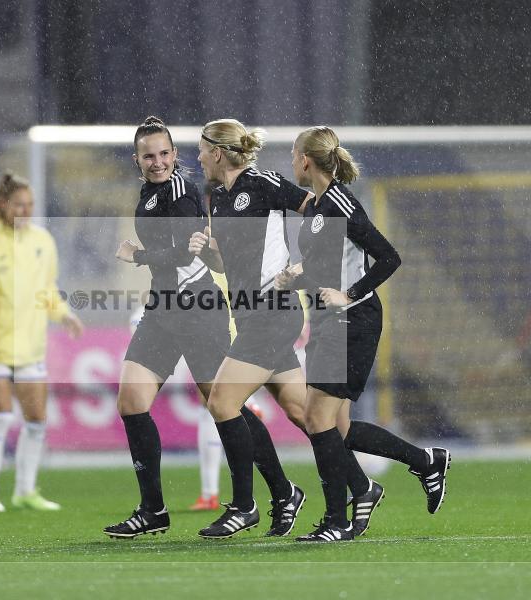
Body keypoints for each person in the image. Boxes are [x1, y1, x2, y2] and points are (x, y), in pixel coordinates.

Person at [103, 117, 301, 539]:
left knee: (225, 406)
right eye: (149, 156)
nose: (157, 162)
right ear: (137, 160)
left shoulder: (182, 191)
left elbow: (182, 253)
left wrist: (136, 256)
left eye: (164, 154)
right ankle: (153, 510)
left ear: (175, 155)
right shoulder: (150, 194)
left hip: (197, 307)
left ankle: (280, 492)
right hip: (163, 309)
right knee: (131, 401)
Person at [276, 126, 451, 542]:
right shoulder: (318, 206)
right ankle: (425, 461)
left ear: (305, 160)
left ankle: (337, 520)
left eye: (293, 154)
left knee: (318, 421)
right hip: (327, 320)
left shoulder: (338, 202)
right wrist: (296, 278)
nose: (291, 161)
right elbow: (328, 265)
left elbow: (389, 257)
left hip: (353, 320)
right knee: (336, 429)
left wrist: (348, 294)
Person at [188, 118, 356, 539]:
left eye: (201, 149)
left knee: (223, 403)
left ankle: (244, 506)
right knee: (304, 413)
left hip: (274, 310)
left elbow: (320, 211)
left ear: (218, 152)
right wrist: (208, 254)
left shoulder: (262, 182)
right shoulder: (217, 196)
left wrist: (310, 265)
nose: (198, 156)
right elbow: (227, 265)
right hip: (250, 313)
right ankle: (357, 485)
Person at [0, 173, 83, 513]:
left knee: (36, 419)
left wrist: (64, 314)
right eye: (19, 205)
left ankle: (25, 490)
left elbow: (47, 289)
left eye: (30, 205)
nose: (25, 211)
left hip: (29, 346)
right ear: (2, 205)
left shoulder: (42, 240)